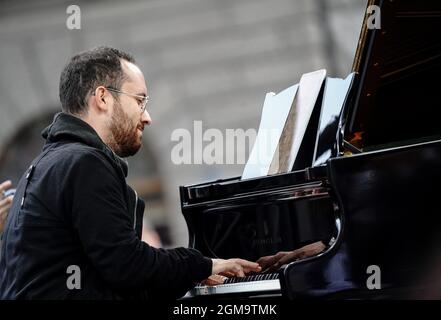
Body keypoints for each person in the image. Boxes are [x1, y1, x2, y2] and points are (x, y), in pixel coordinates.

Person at [0, 47, 260, 299]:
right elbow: (127, 265)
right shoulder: (84, 163)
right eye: (140, 101)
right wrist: (202, 265)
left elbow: (113, 271)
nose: (147, 117)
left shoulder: (43, 166)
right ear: (103, 98)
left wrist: (189, 272)